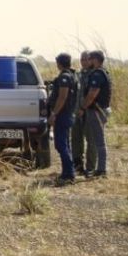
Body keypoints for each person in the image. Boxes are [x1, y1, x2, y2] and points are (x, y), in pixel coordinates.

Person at [78, 50, 112, 178]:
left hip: (97, 110)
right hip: (101, 110)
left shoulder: (97, 74)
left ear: (96, 60)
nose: (88, 61)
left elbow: (92, 94)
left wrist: (82, 107)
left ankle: (101, 170)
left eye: (90, 59)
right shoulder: (103, 72)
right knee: (99, 141)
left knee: (99, 142)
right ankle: (100, 168)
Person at [48, 53, 78, 185]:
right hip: (67, 114)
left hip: (63, 114)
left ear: (59, 63)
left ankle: (69, 174)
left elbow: (62, 97)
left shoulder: (65, 77)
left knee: (61, 145)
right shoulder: (72, 75)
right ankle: (68, 172)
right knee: (65, 144)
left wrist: (54, 113)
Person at [72, 51, 96, 176]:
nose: (84, 62)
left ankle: (91, 167)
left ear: (91, 60)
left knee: (91, 140)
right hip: (76, 111)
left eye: (86, 59)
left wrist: (83, 108)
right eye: (82, 59)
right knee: (76, 139)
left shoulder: (95, 74)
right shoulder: (78, 74)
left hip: (90, 112)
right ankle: (77, 164)